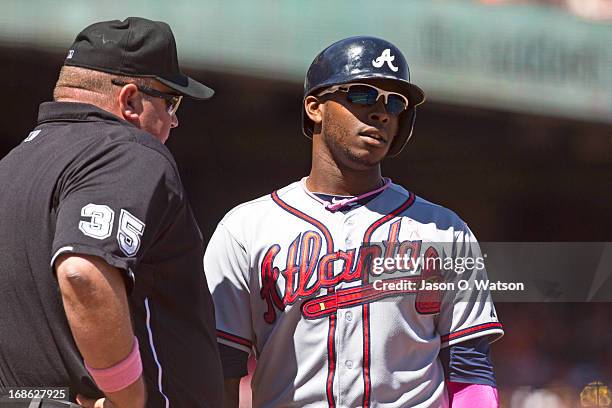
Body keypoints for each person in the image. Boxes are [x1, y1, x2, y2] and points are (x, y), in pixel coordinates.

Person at [204, 36, 504, 407]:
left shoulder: (443, 230)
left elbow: (469, 366)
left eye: (395, 103)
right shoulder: (245, 229)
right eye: (361, 94)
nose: (381, 112)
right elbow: (221, 366)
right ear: (315, 107)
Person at [0, 17, 223, 408]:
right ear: (131, 100)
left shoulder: (12, 165)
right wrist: (127, 396)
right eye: (170, 102)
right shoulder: (126, 150)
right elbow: (82, 273)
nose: (175, 119)